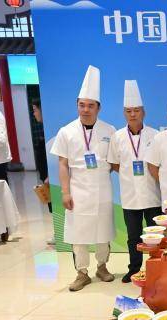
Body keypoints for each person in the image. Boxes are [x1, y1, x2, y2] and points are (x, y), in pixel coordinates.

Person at [51, 65, 116, 291]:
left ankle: (102, 267)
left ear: (98, 107)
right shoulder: (66, 131)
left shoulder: (109, 130)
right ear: (77, 105)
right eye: (81, 105)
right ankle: (81, 273)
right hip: (77, 189)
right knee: (78, 233)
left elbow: (114, 161)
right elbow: (62, 164)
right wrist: (65, 192)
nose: (85, 109)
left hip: (103, 188)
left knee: (103, 230)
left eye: (90, 105)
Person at [108, 80, 162, 283]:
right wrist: (129, 176)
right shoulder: (117, 137)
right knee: (134, 236)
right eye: (129, 111)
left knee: (155, 236)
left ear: (143, 112)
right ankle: (134, 269)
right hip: (130, 196)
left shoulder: (155, 135)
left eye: (136, 110)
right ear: (124, 113)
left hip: (153, 194)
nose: (133, 114)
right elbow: (114, 164)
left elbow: (159, 164)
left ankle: (156, 269)